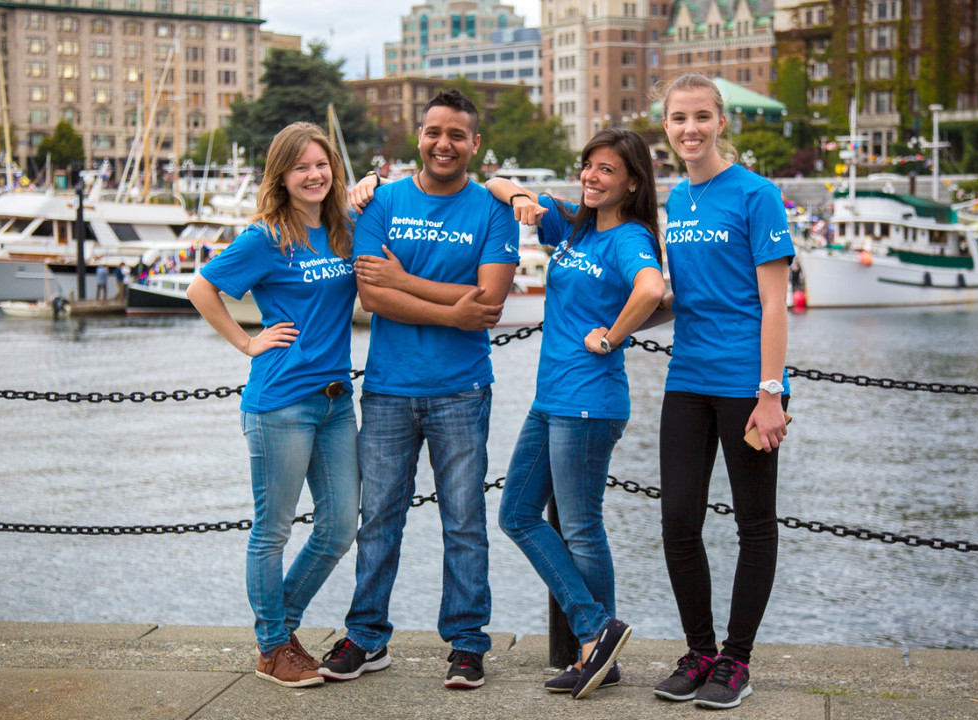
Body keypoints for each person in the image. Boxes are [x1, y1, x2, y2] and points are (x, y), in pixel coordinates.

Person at [317, 89, 519, 690]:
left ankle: (466, 643)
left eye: (457, 135)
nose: (444, 144)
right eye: (434, 132)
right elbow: (372, 296)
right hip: (386, 389)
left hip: (462, 390)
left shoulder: (491, 210)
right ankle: (367, 636)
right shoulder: (381, 201)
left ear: (474, 145)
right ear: (420, 136)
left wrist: (409, 281)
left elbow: (489, 302)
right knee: (377, 518)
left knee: (464, 521)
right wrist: (449, 309)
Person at [486, 128, 665, 700]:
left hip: (590, 401)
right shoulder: (572, 225)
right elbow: (494, 181)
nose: (591, 177)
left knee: (583, 528)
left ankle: (595, 641)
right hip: (551, 399)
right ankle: (597, 637)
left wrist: (612, 338)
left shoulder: (630, 237)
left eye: (606, 170)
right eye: (588, 166)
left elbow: (654, 288)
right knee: (516, 513)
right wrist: (518, 198)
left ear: (632, 182)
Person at [186, 122, 360, 690]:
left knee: (338, 527)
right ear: (281, 176)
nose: (314, 175)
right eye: (301, 166)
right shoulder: (267, 236)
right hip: (281, 403)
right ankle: (272, 648)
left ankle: (280, 633)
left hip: (336, 402)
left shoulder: (341, 230)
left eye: (322, 164)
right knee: (273, 531)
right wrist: (247, 341)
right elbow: (201, 288)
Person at [649, 72, 794, 710]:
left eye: (701, 117)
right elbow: (684, 298)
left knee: (754, 523)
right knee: (679, 519)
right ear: (667, 127)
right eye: (679, 119)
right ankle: (700, 651)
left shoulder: (757, 195)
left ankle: (736, 661)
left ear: (721, 121)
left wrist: (771, 392)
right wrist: (616, 325)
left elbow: (774, 304)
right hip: (687, 379)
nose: (690, 130)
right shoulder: (676, 200)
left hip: (746, 385)